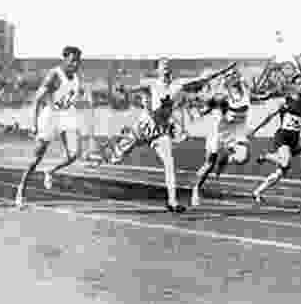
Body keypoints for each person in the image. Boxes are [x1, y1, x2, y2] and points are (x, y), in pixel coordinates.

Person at [91, 59, 237, 213]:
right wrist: (123, 88)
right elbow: (130, 89)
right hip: (143, 127)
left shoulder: (177, 85)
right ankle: (95, 157)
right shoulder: (151, 84)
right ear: (157, 70)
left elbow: (200, 80)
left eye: (168, 65)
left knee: (169, 163)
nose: (166, 68)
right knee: (116, 157)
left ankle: (172, 202)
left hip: (161, 131)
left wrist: (222, 71)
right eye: (163, 66)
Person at [15, 46, 91, 208]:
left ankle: (50, 170)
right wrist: (34, 124)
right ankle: (21, 190)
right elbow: (37, 100)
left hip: (67, 115)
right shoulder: (54, 75)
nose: (75, 64)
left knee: (74, 154)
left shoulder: (76, 77)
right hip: (50, 116)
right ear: (64, 59)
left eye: (78, 61)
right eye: (72, 61)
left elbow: (72, 96)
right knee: (36, 158)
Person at [190, 67, 272, 206]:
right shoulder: (222, 96)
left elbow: (257, 97)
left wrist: (268, 95)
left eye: (236, 76)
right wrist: (202, 108)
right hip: (219, 132)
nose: (235, 79)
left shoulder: (246, 92)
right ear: (228, 81)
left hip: (236, 133)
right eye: (231, 77)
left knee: (243, 157)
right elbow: (206, 106)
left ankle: (226, 157)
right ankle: (196, 189)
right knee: (209, 164)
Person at [247, 73, 301, 204]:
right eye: (299, 83)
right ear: (293, 86)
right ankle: (267, 156)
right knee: (286, 162)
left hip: (294, 140)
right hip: (283, 137)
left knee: (281, 172)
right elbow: (269, 117)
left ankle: (258, 191)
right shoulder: (285, 101)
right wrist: (255, 130)